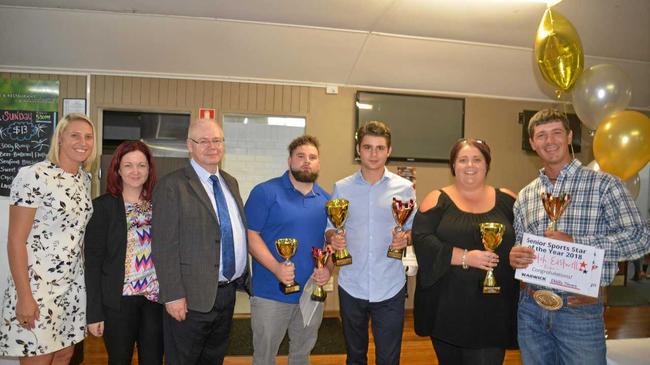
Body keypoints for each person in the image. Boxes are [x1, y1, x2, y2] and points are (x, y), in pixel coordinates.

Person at [509, 108, 650, 365]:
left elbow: (640, 237)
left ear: (569, 136)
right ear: (532, 143)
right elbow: (521, 245)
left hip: (579, 308)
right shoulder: (526, 195)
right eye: (541, 135)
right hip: (531, 308)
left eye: (556, 133)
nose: (549, 141)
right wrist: (516, 255)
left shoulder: (605, 185)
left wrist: (576, 243)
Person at [411, 138, 518, 365]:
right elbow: (422, 240)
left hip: (494, 311)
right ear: (453, 166)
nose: (470, 165)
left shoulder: (508, 199)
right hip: (447, 310)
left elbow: (527, 238)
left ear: (487, 164)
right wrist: (466, 257)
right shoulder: (436, 199)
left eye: (477, 159)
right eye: (463, 160)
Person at [152, 118, 249, 365]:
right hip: (190, 300)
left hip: (226, 295)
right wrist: (173, 295)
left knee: (214, 359)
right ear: (189, 145)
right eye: (203, 140)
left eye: (216, 140)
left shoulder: (231, 182)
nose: (211, 146)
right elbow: (164, 246)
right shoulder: (172, 186)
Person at [0, 113, 96, 364]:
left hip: (72, 287)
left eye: (88, 136)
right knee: (39, 356)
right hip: (38, 287)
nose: (82, 142)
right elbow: (15, 241)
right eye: (75, 135)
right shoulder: (33, 176)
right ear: (60, 139)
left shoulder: (83, 179)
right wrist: (24, 295)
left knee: (65, 353)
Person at [326, 121, 415, 365]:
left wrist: (404, 238)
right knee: (355, 357)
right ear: (358, 150)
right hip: (352, 285)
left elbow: (412, 230)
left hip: (390, 287)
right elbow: (329, 229)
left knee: (388, 358)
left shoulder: (405, 188)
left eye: (379, 148)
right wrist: (333, 237)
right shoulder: (341, 188)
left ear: (389, 150)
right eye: (367, 147)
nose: (373, 154)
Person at [244, 135, 333, 365]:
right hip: (271, 293)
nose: (307, 161)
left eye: (312, 157)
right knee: (264, 357)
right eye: (300, 156)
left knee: (301, 355)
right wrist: (276, 268)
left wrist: (328, 270)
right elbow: (250, 235)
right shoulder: (265, 192)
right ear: (289, 160)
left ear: (319, 163)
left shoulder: (327, 200)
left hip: (310, 292)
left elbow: (330, 244)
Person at [84, 140, 163, 365]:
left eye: (141, 165)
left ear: (149, 169)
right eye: (128, 165)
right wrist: (94, 314)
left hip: (154, 301)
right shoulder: (102, 207)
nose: (135, 171)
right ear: (118, 169)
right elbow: (93, 264)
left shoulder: (159, 205)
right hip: (118, 303)